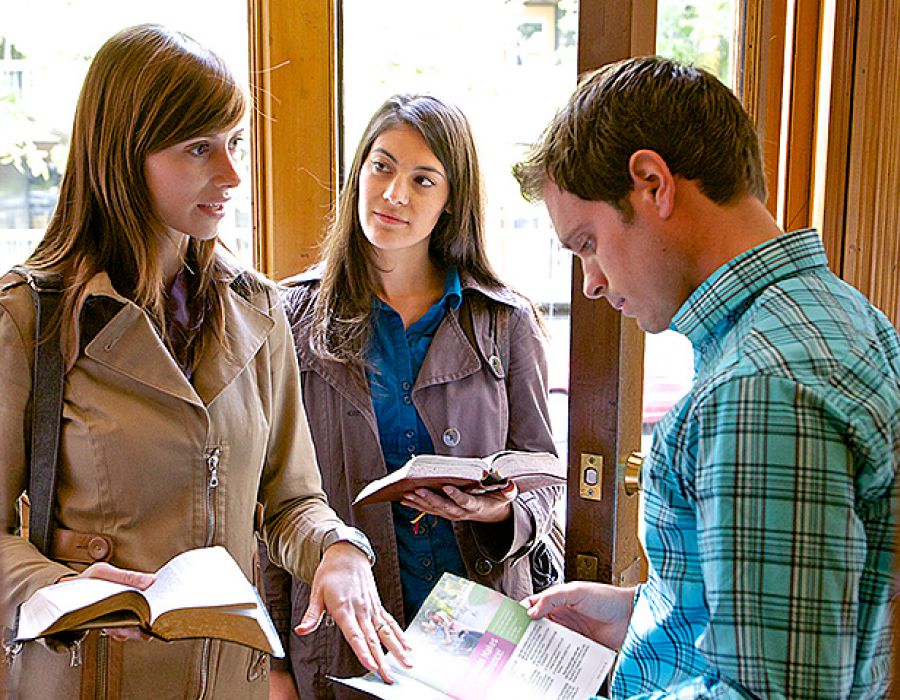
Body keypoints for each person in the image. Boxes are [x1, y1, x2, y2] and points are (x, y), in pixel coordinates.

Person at [0, 24, 408, 699]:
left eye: (236, 143)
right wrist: (59, 588)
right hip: (88, 682)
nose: (233, 175)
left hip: (230, 684)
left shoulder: (258, 309)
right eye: (199, 149)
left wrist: (337, 550)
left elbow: (291, 498)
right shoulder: (27, 319)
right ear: (123, 154)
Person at [514, 56, 898, 698]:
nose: (593, 281)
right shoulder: (839, 316)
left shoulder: (761, 389)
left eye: (587, 242)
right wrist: (644, 612)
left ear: (652, 183)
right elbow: (800, 619)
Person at [261, 93, 560, 699]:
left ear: (451, 203)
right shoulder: (288, 316)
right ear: (357, 173)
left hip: (479, 638)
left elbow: (546, 479)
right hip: (343, 636)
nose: (395, 193)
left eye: (423, 179)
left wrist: (502, 511)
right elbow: (265, 501)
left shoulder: (505, 322)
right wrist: (273, 665)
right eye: (382, 166)